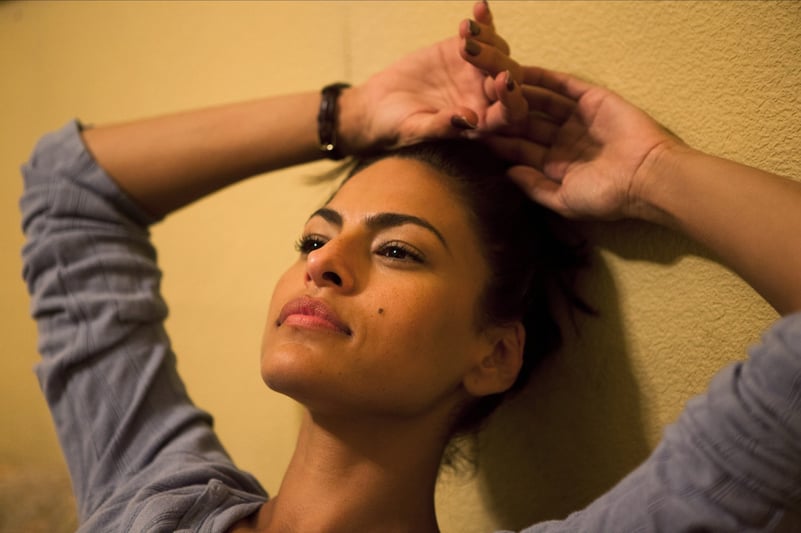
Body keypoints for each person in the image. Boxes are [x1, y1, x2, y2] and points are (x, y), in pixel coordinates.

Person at [19, 2, 801, 532]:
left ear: (493, 353)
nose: (324, 264)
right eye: (312, 239)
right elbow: (69, 190)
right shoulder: (155, 501)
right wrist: (351, 112)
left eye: (397, 249)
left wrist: (653, 172)